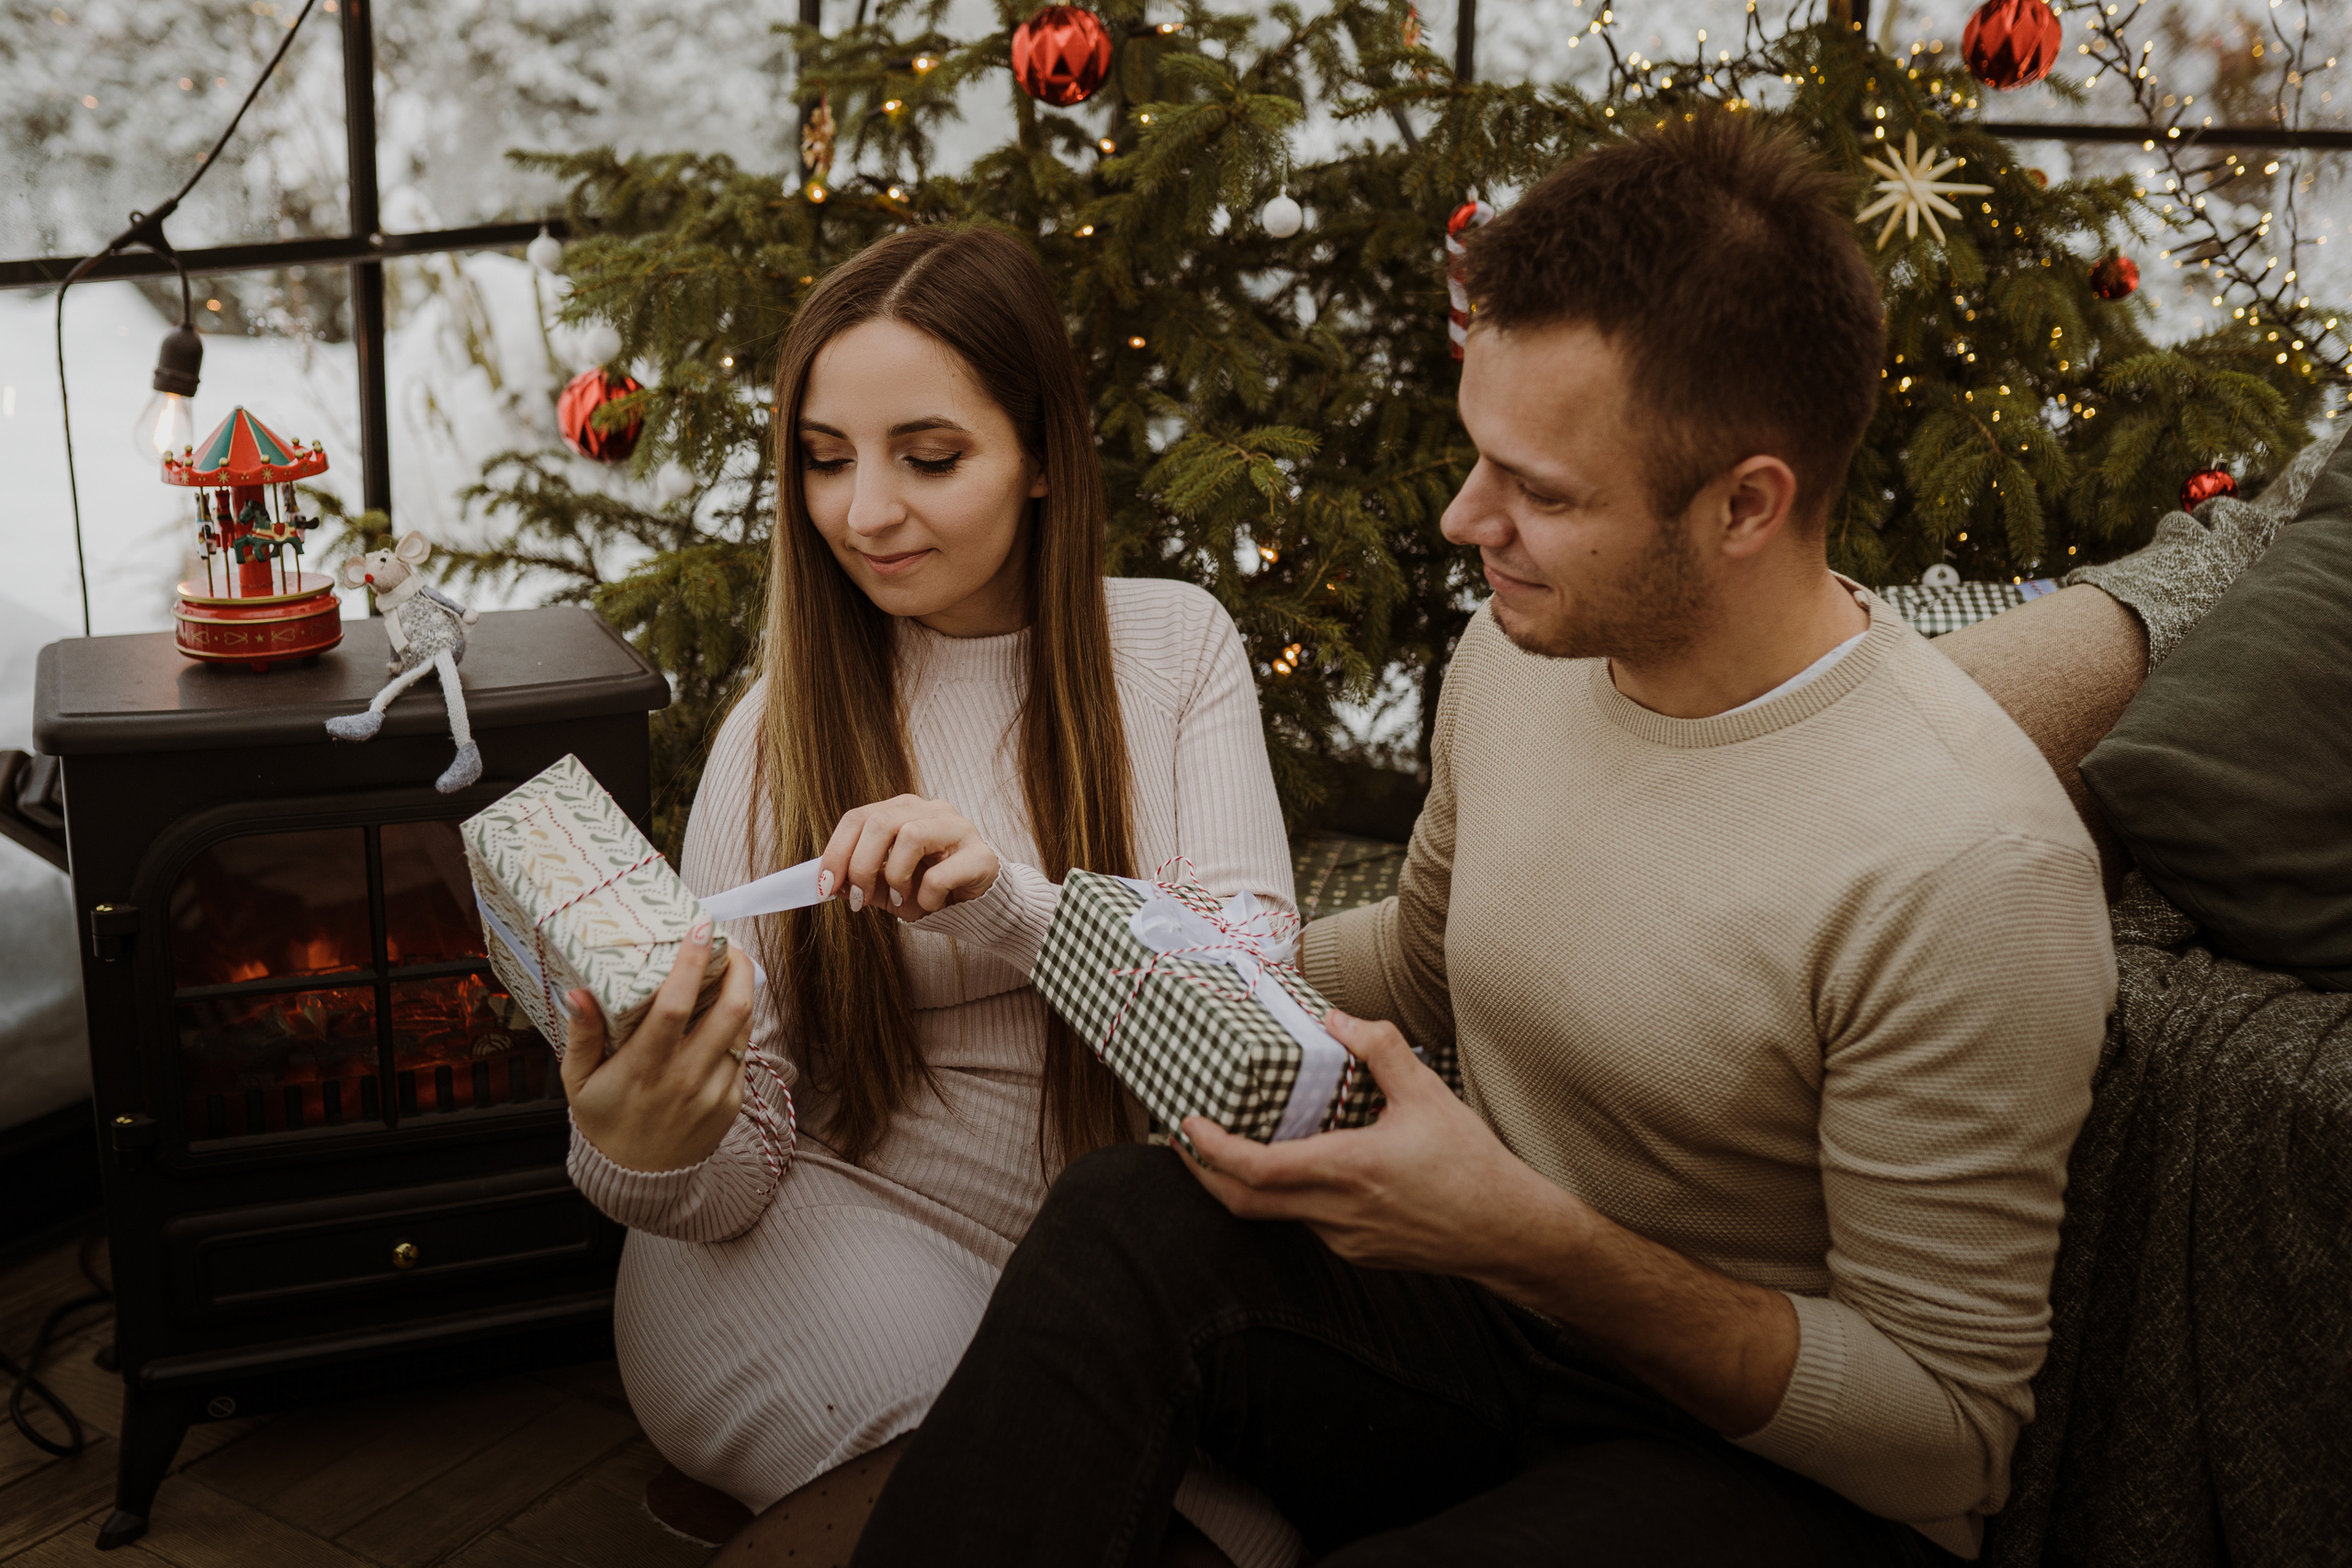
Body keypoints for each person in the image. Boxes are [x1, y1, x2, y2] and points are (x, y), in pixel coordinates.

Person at [848, 113, 2119, 1568]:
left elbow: (1945, 1437)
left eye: (1544, 493)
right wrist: (1062, 937)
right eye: (1479, 458)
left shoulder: (1967, 866)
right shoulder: (1522, 659)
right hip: (1500, 1326)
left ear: (1746, 505)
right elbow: (1427, 961)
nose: (1467, 520)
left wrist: (1522, 1233)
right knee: (1127, 1220)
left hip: (1769, 1477)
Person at [554, 225, 1300, 1568]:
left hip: (1122, 1261)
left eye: (930, 457)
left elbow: (1255, 1021)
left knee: (1254, 1544)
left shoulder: (1176, 647)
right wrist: (641, 1147)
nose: (865, 514)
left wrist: (1011, 904)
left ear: (1045, 459)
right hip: (809, 1238)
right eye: (827, 461)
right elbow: (741, 1172)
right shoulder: (774, 733)